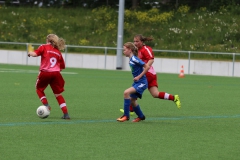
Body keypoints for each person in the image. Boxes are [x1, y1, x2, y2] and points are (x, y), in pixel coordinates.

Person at [120, 34, 181, 114]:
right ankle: (173, 98)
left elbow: (151, 60)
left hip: (148, 74)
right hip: (148, 74)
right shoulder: (136, 50)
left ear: (142, 42)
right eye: (134, 41)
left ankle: (130, 110)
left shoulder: (146, 49)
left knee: (134, 89)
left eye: (137, 41)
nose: (135, 43)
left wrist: (144, 70)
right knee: (155, 94)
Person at [28, 34, 70, 119]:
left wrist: (29, 53)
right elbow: (62, 66)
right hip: (56, 74)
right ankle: (66, 114)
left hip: (45, 72)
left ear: (47, 40)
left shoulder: (43, 46)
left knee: (39, 89)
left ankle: (46, 105)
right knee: (58, 94)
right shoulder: (58, 52)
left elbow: (35, 54)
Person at [117, 42, 150, 122]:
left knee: (126, 93)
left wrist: (139, 76)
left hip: (142, 82)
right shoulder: (131, 59)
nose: (123, 51)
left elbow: (147, 67)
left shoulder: (135, 59)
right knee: (132, 100)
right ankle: (141, 116)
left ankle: (126, 116)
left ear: (130, 50)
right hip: (137, 82)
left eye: (125, 50)